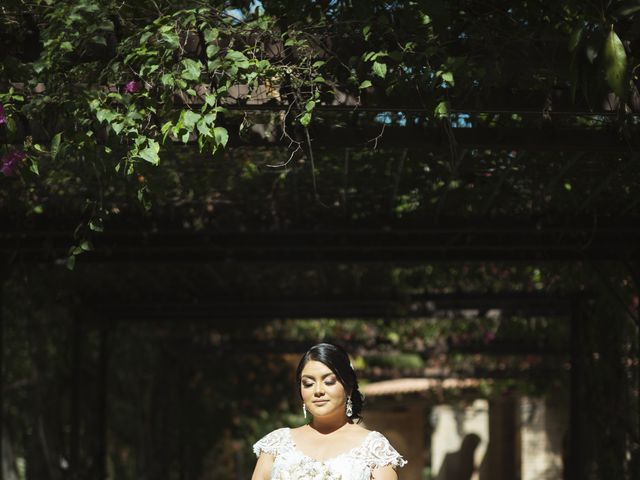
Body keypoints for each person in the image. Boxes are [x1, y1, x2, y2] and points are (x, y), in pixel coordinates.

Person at [251, 343, 407, 480]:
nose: (318, 390)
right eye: (308, 383)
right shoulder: (276, 445)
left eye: (329, 382)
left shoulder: (374, 449)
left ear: (348, 387)